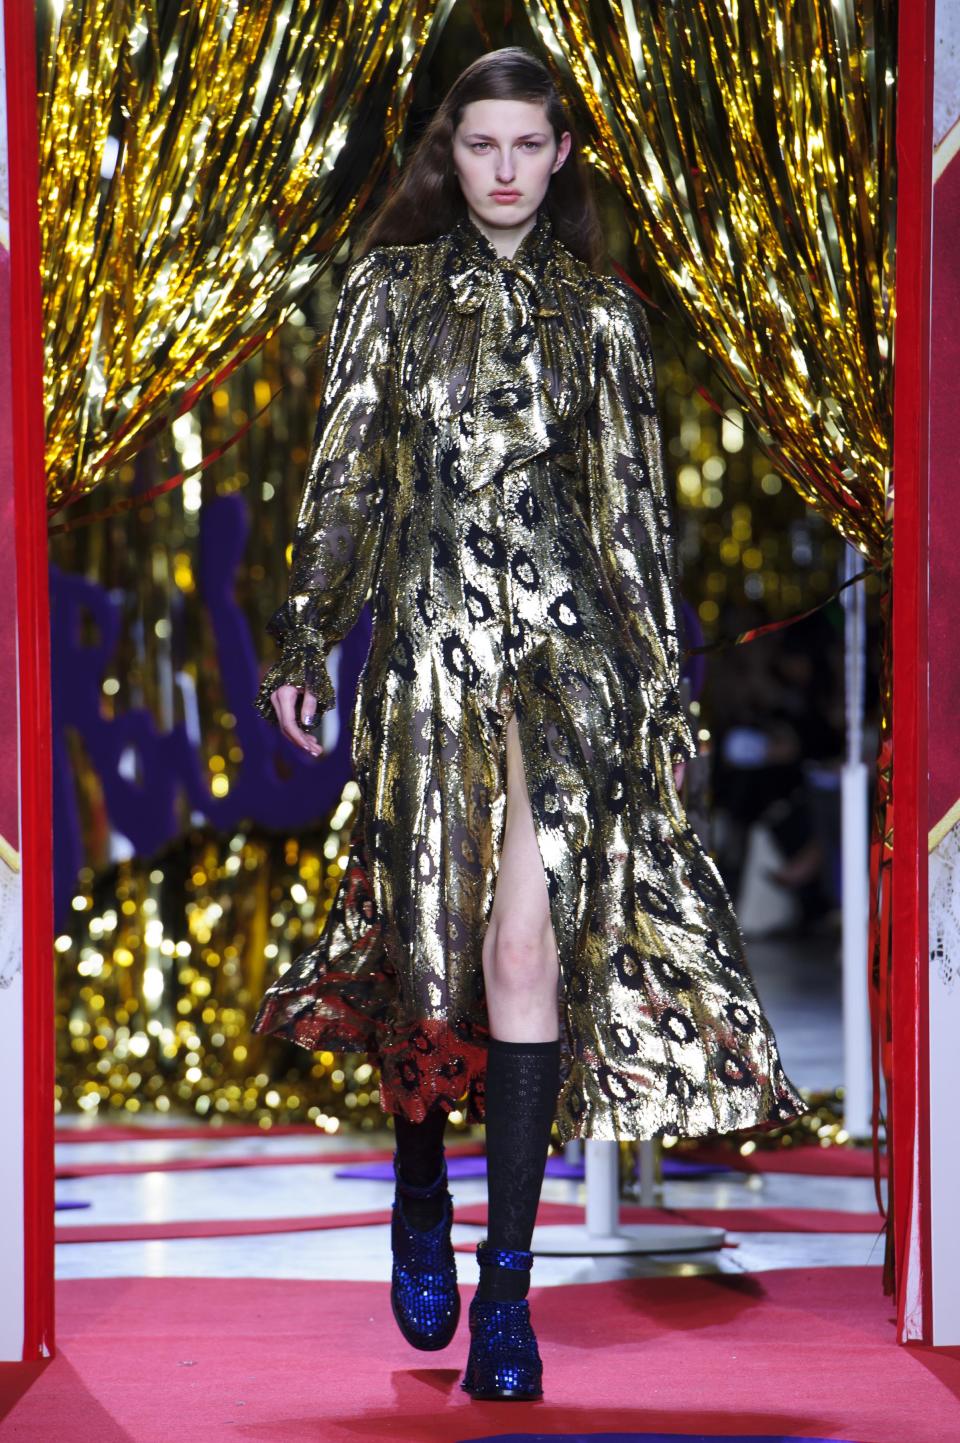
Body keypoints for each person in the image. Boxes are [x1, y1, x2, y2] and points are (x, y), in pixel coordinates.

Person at [250, 46, 809, 1403]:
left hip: (565, 675)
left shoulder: (605, 325)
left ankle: (510, 1291)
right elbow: (347, 480)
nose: (502, 169)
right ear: (453, 157)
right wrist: (308, 636)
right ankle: (419, 1180)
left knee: (522, 952)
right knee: (423, 945)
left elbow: (633, 524)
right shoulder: (387, 298)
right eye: (479, 146)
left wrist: (666, 690)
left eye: (526, 146)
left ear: (562, 159)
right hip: (431, 662)